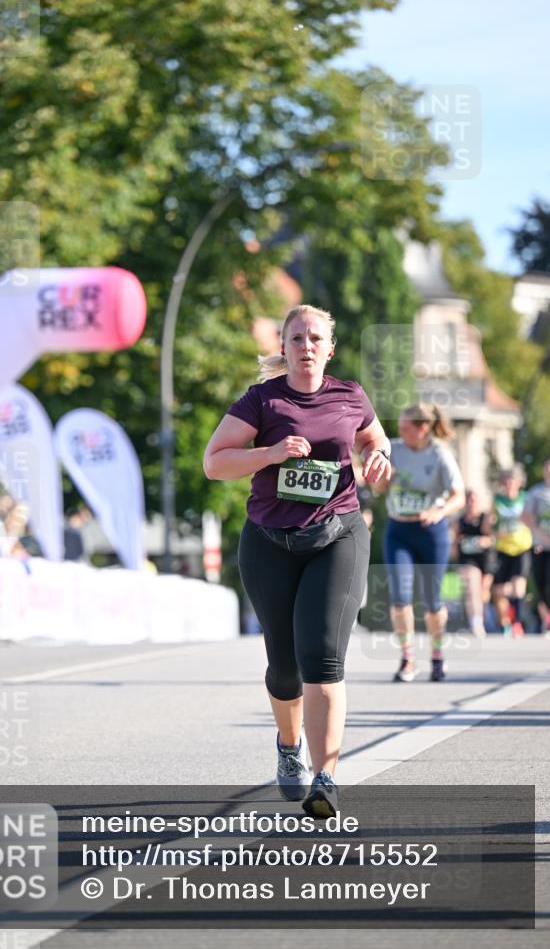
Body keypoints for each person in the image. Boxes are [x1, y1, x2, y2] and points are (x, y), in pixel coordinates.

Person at [203, 304, 389, 818]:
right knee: (284, 667)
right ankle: (290, 748)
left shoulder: (350, 395)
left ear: (330, 348)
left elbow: (375, 437)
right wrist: (270, 454)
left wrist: (378, 455)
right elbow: (214, 462)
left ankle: (326, 777)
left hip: (337, 535)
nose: (306, 345)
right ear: (282, 348)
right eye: (296, 338)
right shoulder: (261, 400)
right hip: (269, 543)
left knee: (323, 657)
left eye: (315, 338)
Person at [373, 403, 465, 683]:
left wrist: (438, 512)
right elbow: (378, 489)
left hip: (431, 532)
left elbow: (458, 496)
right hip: (398, 530)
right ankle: (408, 659)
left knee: (432, 601)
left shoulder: (440, 455)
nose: (399, 432)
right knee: (400, 596)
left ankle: (437, 656)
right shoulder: (394, 449)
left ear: (423, 428)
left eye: (405, 428)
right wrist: (381, 479)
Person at [491, 467, 532, 636]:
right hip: (503, 549)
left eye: (512, 480)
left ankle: (518, 623)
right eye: (506, 480)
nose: (509, 484)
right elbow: (489, 526)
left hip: (522, 547)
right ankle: (505, 623)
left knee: (518, 587)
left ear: (519, 483)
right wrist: (494, 530)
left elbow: (533, 520)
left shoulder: (526, 499)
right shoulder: (497, 501)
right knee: (500, 591)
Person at [522, 454, 550, 635]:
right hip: (540, 546)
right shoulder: (536, 492)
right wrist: (540, 532)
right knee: (541, 585)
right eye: (548, 466)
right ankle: (547, 618)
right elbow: (525, 516)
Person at [454, 489, 494, 638]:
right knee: (472, 586)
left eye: (474, 499)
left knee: (483, 594)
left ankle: (485, 618)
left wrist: (482, 541)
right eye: (469, 499)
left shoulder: (485, 518)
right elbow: (454, 546)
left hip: (485, 559)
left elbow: (491, 538)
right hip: (467, 560)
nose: (472, 502)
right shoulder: (459, 521)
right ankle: (476, 623)